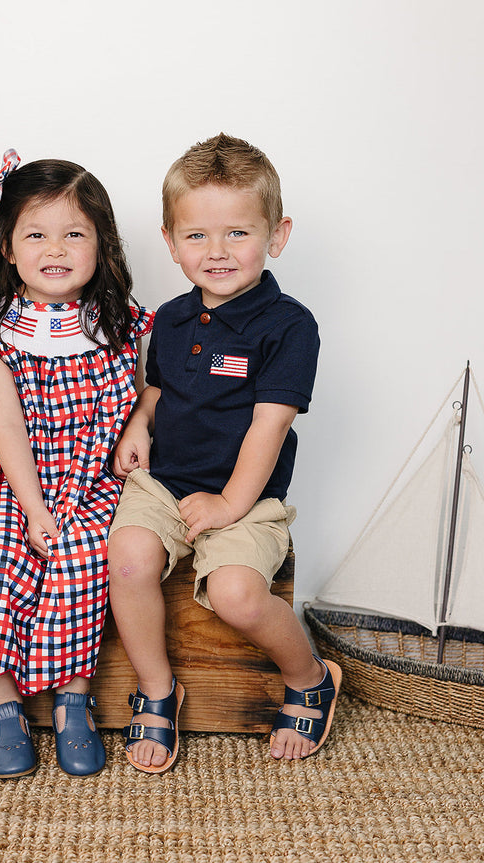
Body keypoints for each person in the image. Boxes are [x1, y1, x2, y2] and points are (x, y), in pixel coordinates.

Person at [0, 149, 154, 779]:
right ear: (8, 247)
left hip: (88, 475)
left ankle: (73, 701)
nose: (57, 248)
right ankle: (5, 707)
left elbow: (135, 395)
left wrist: (137, 430)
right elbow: (7, 433)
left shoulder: (117, 324)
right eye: (37, 233)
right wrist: (32, 509)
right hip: (4, 477)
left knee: (83, 558)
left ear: (102, 246)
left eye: (75, 233)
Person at [108, 132, 341, 774]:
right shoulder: (173, 318)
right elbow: (159, 389)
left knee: (237, 594)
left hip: (247, 493)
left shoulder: (290, 326)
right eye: (196, 236)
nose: (216, 253)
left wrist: (230, 504)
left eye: (238, 233)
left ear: (278, 234)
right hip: (167, 482)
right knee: (126, 561)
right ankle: (158, 688)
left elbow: (269, 428)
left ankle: (310, 675)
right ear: (169, 240)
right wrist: (137, 425)